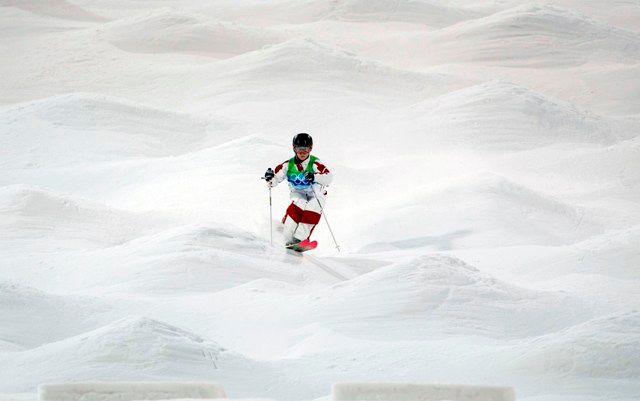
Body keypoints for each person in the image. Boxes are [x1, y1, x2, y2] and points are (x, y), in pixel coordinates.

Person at [264, 133, 333, 246]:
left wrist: (314, 176)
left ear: (310, 149)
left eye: (305, 149)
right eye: (298, 149)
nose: (302, 152)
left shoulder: (315, 163)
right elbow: (274, 180)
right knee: (298, 205)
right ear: (294, 148)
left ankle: (299, 239)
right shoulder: (288, 165)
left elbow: (329, 178)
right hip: (298, 193)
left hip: (315, 193)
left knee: (313, 208)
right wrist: (270, 178)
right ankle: (286, 237)